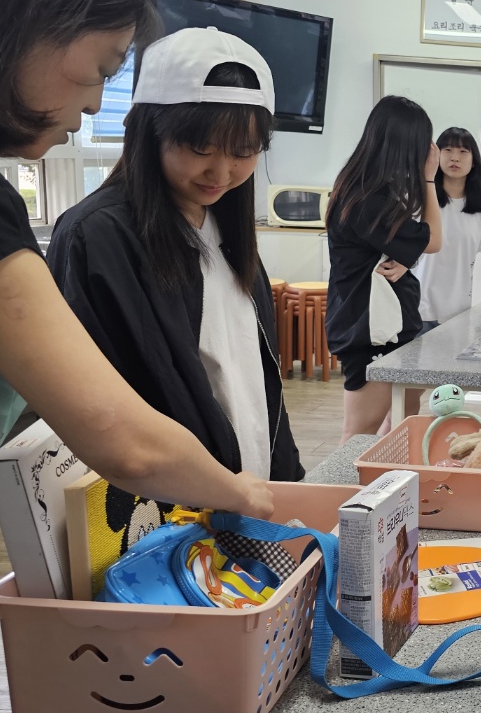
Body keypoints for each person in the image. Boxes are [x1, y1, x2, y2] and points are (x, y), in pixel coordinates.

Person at [0, 0, 271, 516]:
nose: (93, 105)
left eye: (243, 153)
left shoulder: (227, 232)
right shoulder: (85, 230)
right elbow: (122, 436)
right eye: (101, 68)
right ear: (26, 27)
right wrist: (247, 499)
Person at [47, 27, 303, 482]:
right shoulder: (99, 235)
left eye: (243, 152)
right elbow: (105, 405)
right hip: (169, 499)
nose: (221, 172)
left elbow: (254, 375)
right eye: (200, 148)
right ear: (150, 133)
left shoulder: (225, 226)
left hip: (246, 484)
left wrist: (284, 478)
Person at [325, 96, 442, 442]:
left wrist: (406, 258)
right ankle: (349, 482)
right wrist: (429, 180)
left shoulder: (368, 190)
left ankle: (392, 476)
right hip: (371, 330)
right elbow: (433, 239)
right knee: (359, 434)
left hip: (387, 326)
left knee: (405, 420)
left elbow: (396, 246)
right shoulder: (367, 198)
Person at [412, 126, 481, 332]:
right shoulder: (420, 202)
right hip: (420, 308)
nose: (455, 158)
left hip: (462, 312)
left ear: (474, 161)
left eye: (463, 151)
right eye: (448, 150)